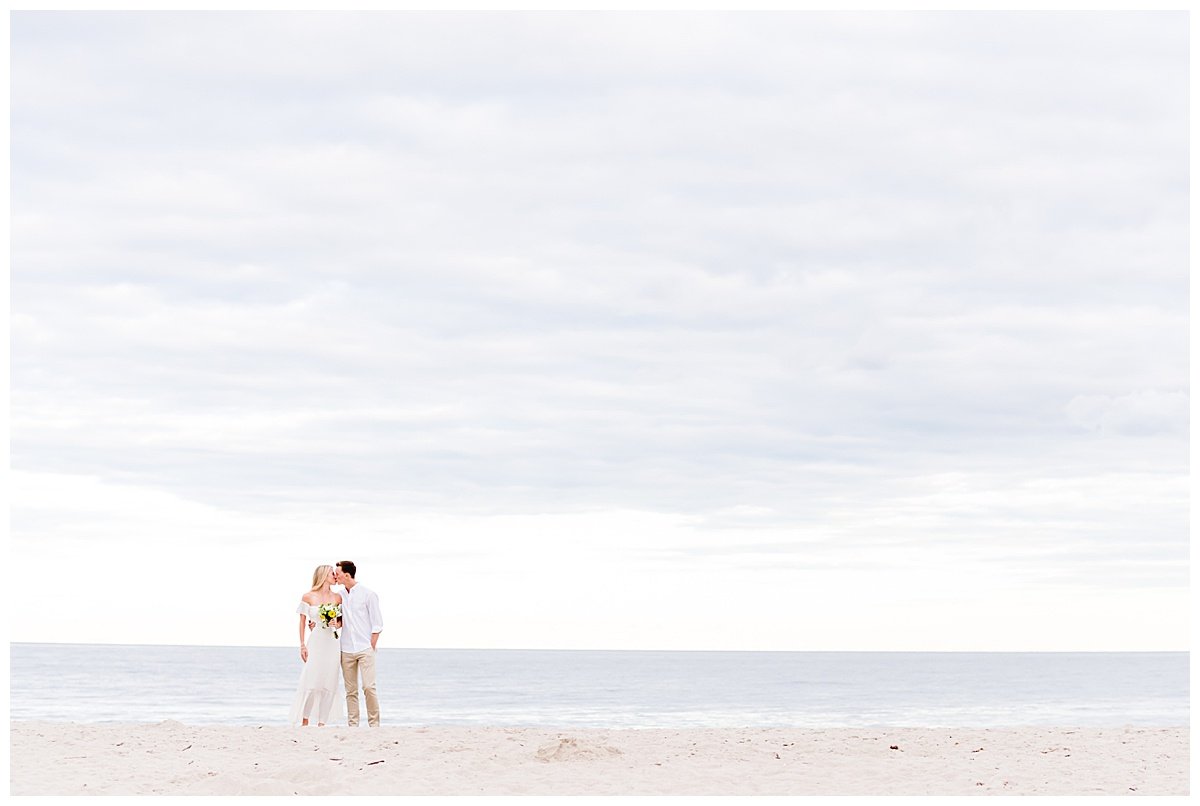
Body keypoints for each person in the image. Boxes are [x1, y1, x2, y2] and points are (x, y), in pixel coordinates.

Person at [287, 565, 344, 727]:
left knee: (329, 680)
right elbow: (302, 622)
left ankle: (322, 723)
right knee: (311, 680)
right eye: (332, 573)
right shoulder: (308, 597)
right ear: (324, 575)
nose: (335, 576)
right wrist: (302, 645)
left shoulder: (337, 598)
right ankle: (305, 721)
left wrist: (336, 623)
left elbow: (341, 621)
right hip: (316, 641)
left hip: (332, 642)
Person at [334, 560, 384, 727]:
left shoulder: (368, 595)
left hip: (364, 648)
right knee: (351, 691)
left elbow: (377, 624)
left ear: (347, 575)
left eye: (338, 573)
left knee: (369, 687)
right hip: (346, 649)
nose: (336, 576)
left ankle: (374, 724)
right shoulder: (339, 596)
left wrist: (371, 646)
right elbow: (338, 620)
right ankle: (353, 725)